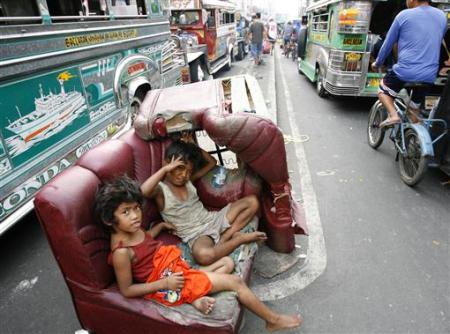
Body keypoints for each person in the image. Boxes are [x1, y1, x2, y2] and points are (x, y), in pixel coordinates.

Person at [96, 176, 302, 331]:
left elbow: (145, 242)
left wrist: (158, 229)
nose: (134, 216)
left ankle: (197, 291)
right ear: (108, 220)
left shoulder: (133, 229)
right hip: (167, 282)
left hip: (174, 267)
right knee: (235, 282)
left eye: (136, 209)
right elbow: (128, 290)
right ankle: (272, 320)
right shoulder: (121, 253)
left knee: (228, 265)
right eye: (125, 212)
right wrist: (164, 284)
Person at [140, 133, 267, 266]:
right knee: (204, 256)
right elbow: (143, 191)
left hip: (213, 219)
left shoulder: (189, 180)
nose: (184, 175)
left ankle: (226, 236)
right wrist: (165, 169)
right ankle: (238, 240)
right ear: (167, 164)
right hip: (197, 235)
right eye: (180, 168)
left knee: (252, 202)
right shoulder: (161, 190)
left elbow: (212, 162)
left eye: (188, 171)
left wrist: (193, 145)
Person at [372, 0, 447, 127]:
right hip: (429, 75)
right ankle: (414, 140)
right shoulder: (442, 16)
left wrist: (378, 62)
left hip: (405, 72)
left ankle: (393, 115)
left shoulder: (403, 15)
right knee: (414, 107)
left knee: (382, 90)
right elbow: (438, 37)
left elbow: (387, 45)